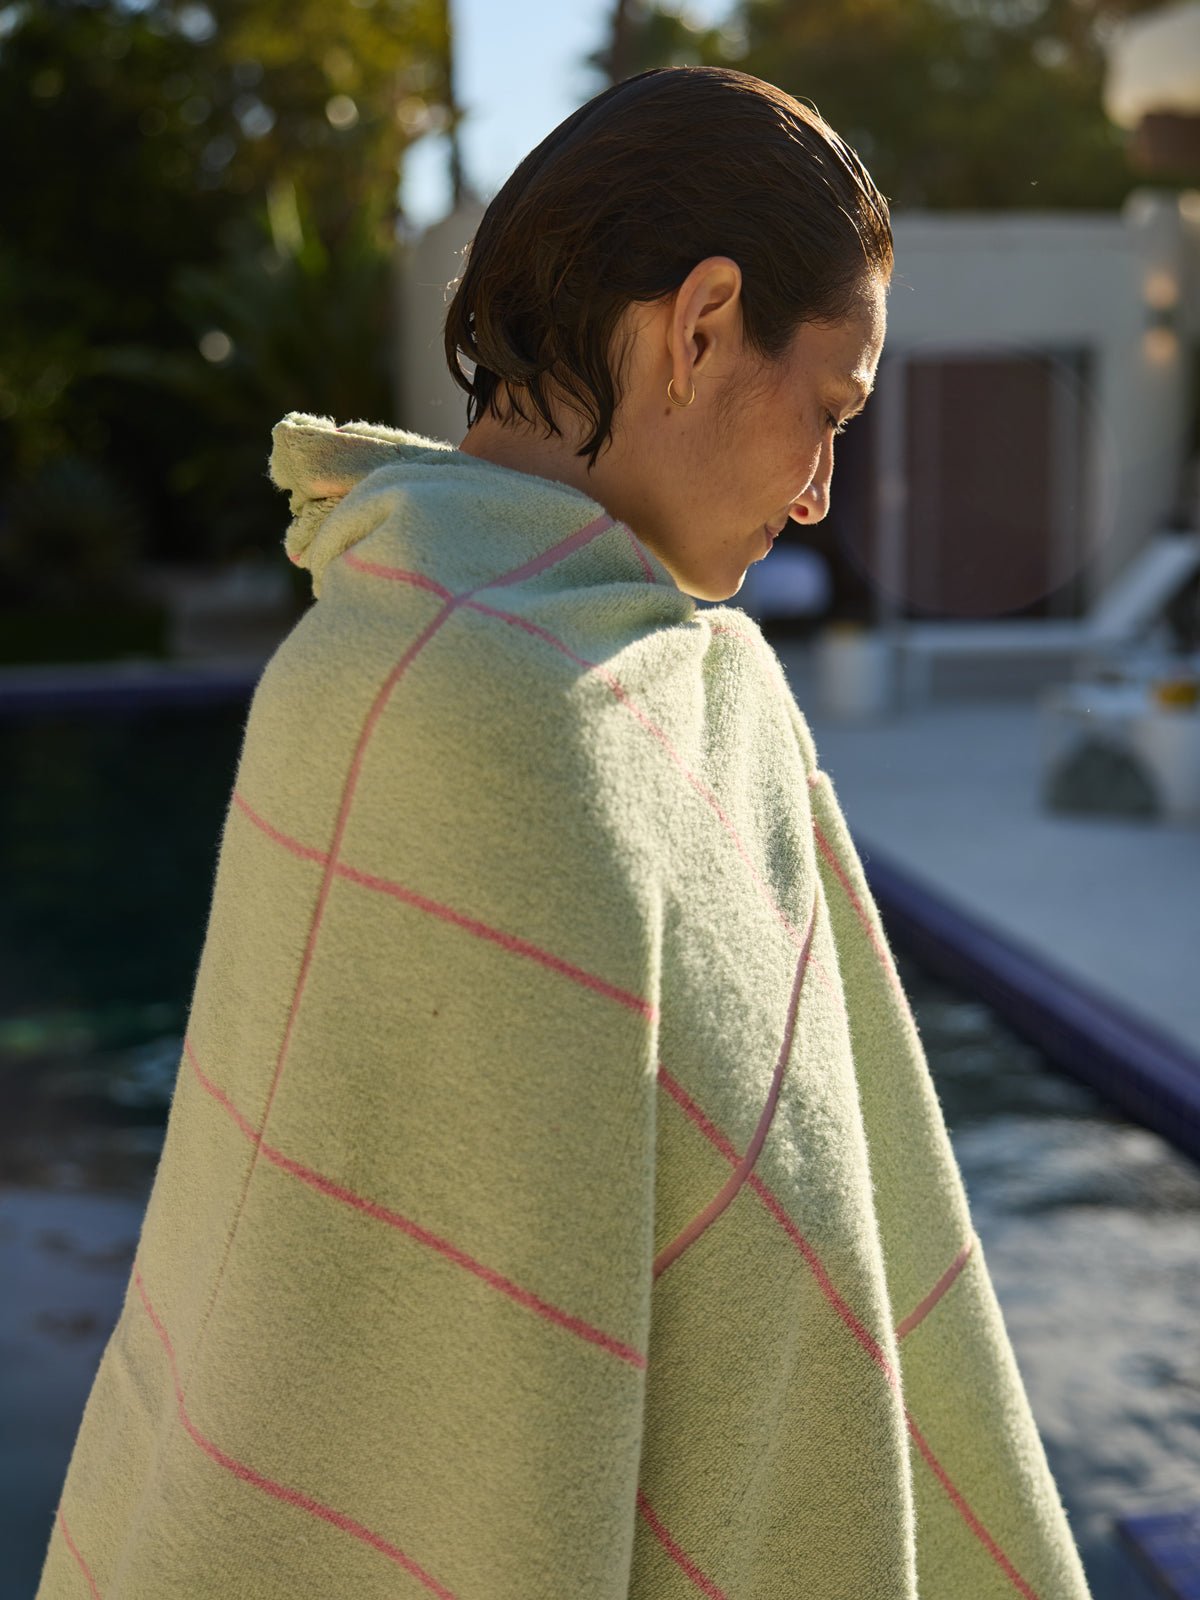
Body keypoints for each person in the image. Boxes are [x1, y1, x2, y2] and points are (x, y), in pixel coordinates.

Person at [35, 66, 1093, 1600]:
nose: (820, 494)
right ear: (705, 322)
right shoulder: (446, 702)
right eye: (832, 410)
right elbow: (401, 1391)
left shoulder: (709, 685)